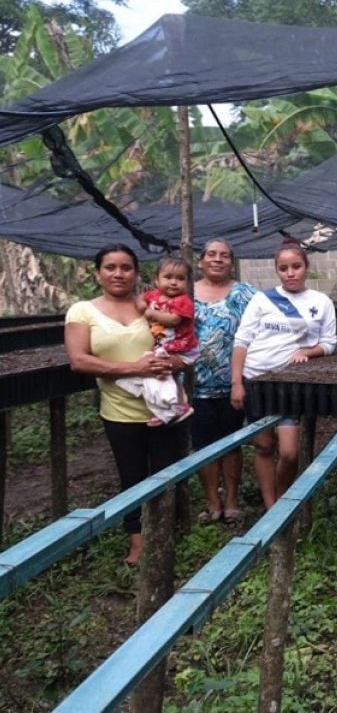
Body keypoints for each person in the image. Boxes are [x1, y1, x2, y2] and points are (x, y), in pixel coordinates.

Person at [65, 244, 188, 564]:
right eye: (110, 267)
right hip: (120, 411)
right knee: (131, 476)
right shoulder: (83, 311)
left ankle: (167, 532)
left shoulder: (153, 305)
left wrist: (174, 363)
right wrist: (134, 369)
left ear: (136, 273)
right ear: (98, 273)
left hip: (165, 409)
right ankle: (137, 540)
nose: (118, 274)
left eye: (125, 267)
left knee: (169, 472)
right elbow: (79, 360)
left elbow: (185, 345)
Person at [230, 241, 337, 509]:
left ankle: (280, 498)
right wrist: (236, 383)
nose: (291, 273)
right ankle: (271, 507)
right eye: (284, 268)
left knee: (289, 452)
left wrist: (308, 352)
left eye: (296, 266)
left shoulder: (321, 302)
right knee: (264, 446)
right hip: (255, 380)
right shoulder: (262, 299)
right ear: (277, 271)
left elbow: (329, 343)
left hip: (289, 385)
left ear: (306, 267)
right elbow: (242, 341)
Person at [192, 239, 257, 524]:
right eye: (211, 254)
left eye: (224, 256)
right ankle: (212, 501)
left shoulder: (246, 294)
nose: (217, 259)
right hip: (194, 385)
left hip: (235, 384)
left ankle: (232, 498)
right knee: (203, 444)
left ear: (232, 262)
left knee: (232, 442)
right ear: (200, 261)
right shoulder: (183, 292)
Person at [117, 256, 198, 426]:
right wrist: (142, 306)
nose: (174, 283)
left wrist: (151, 314)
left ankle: (177, 407)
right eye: (168, 277)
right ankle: (165, 408)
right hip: (167, 346)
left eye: (180, 279)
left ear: (188, 283)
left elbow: (174, 320)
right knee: (160, 374)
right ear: (156, 279)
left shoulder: (184, 301)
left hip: (182, 348)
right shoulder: (154, 295)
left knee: (162, 373)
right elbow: (140, 298)